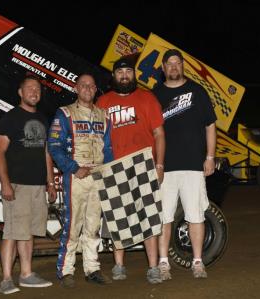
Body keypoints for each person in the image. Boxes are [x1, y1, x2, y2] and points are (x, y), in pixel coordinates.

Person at [96, 56, 165, 284]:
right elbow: (95, 138)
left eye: (128, 72)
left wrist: (160, 164)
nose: (124, 75)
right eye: (119, 72)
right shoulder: (103, 102)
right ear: (113, 76)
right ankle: (118, 265)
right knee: (118, 217)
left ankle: (153, 267)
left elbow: (159, 134)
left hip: (143, 166)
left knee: (148, 217)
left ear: (134, 75)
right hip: (114, 167)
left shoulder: (147, 98)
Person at [153, 49, 217, 280]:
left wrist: (210, 157)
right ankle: (163, 263)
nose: (173, 67)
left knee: (196, 215)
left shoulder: (198, 92)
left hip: (193, 166)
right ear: (163, 68)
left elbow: (210, 125)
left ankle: (198, 262)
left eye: (177, 63)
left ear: (182, 66)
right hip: (164, 168)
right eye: (169, 63)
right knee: (163, 217)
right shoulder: (155, 94)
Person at [48, 73, 113, 288]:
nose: (87, 89)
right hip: (76, 177)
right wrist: (74, 168)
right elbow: (54, 147)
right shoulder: (64, 113)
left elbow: (109, 149)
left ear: (95, 90)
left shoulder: (105, 116)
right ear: (76, 88)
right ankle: (65, 271)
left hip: (98, 177)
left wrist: (108, 171)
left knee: (93, 226)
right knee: (73, 225)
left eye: (91, 86)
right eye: (83, 85)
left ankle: (92, 268)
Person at [0, 75, 57, 295]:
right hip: (17, 184)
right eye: (29, 88)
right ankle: (7, 279)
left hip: (38, 186)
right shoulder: (10, 118)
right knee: (12, 232)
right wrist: (5, 183)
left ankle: (27, 274)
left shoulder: (42, 118)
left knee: (28, 231)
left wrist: (50, 183)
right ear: (20, 93)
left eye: (37, 89)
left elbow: (46, 153)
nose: (34, 92)